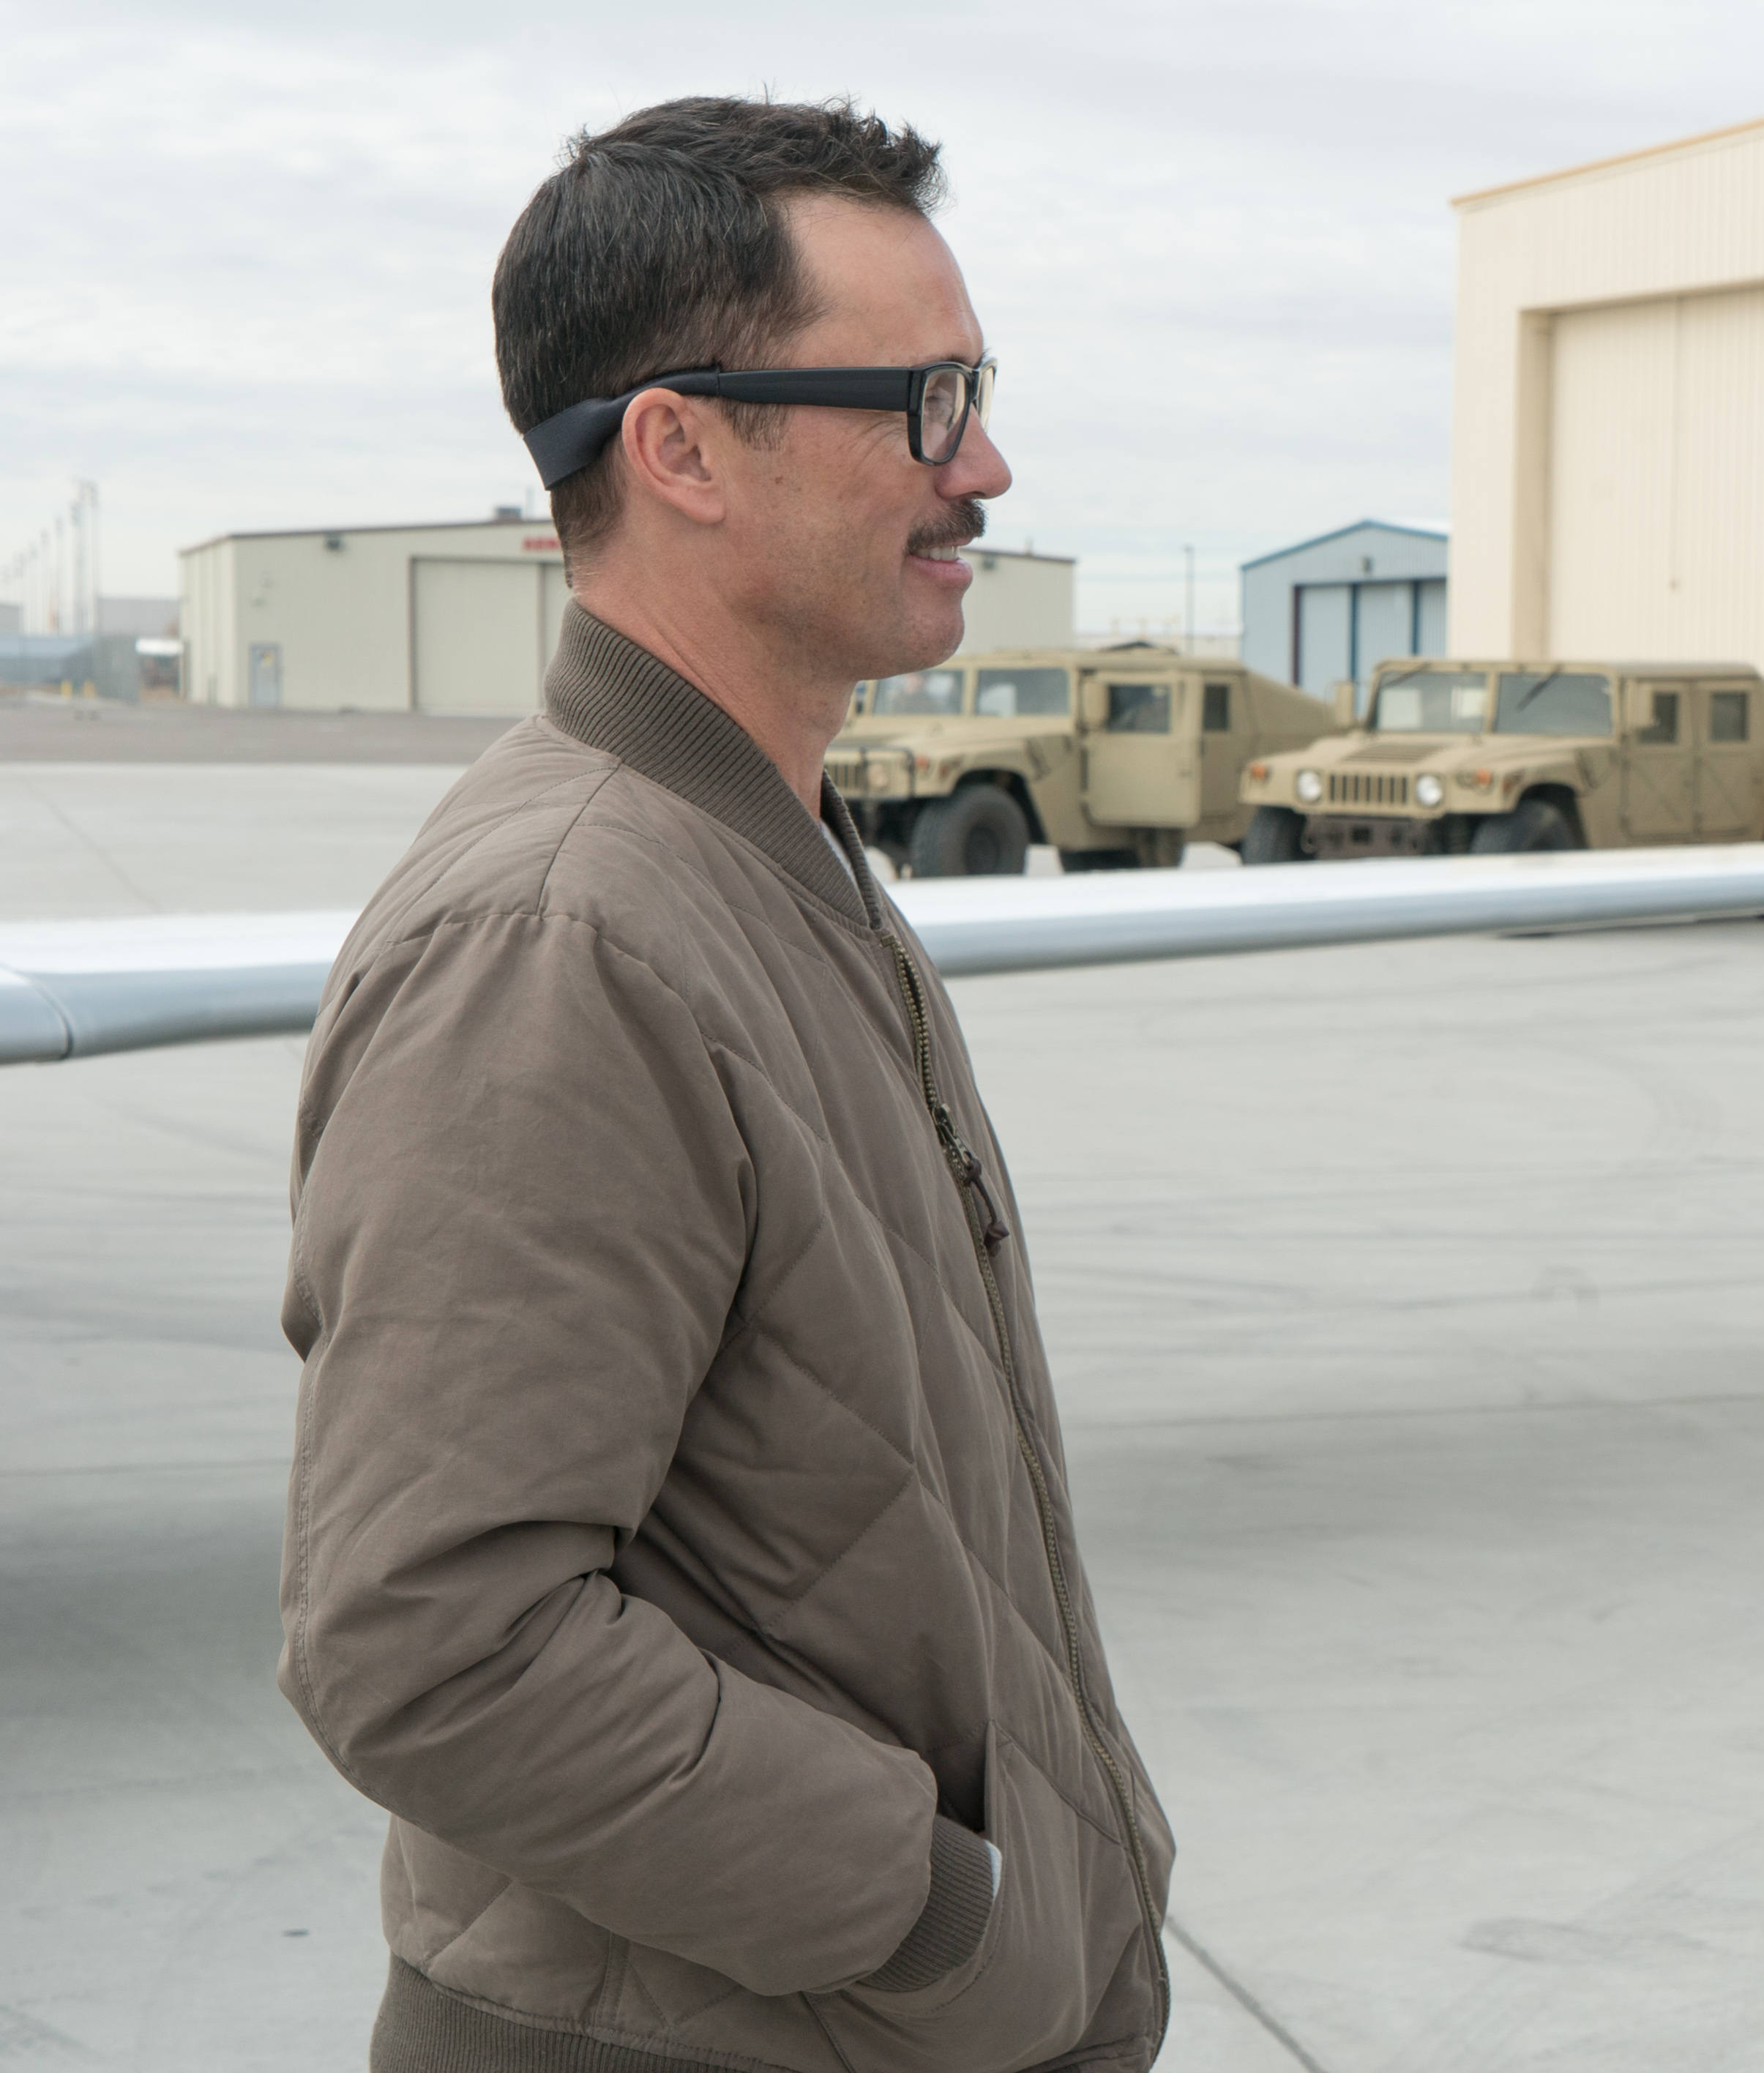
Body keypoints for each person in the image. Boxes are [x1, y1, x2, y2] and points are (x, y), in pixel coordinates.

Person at [276, 99, 1173, 2073]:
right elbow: (431, 1643)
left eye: (979, 393)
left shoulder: (769, 860)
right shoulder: (560, 933)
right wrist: (941, 1912)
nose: (984, 466)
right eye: (924, 402)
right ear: (679, 448)